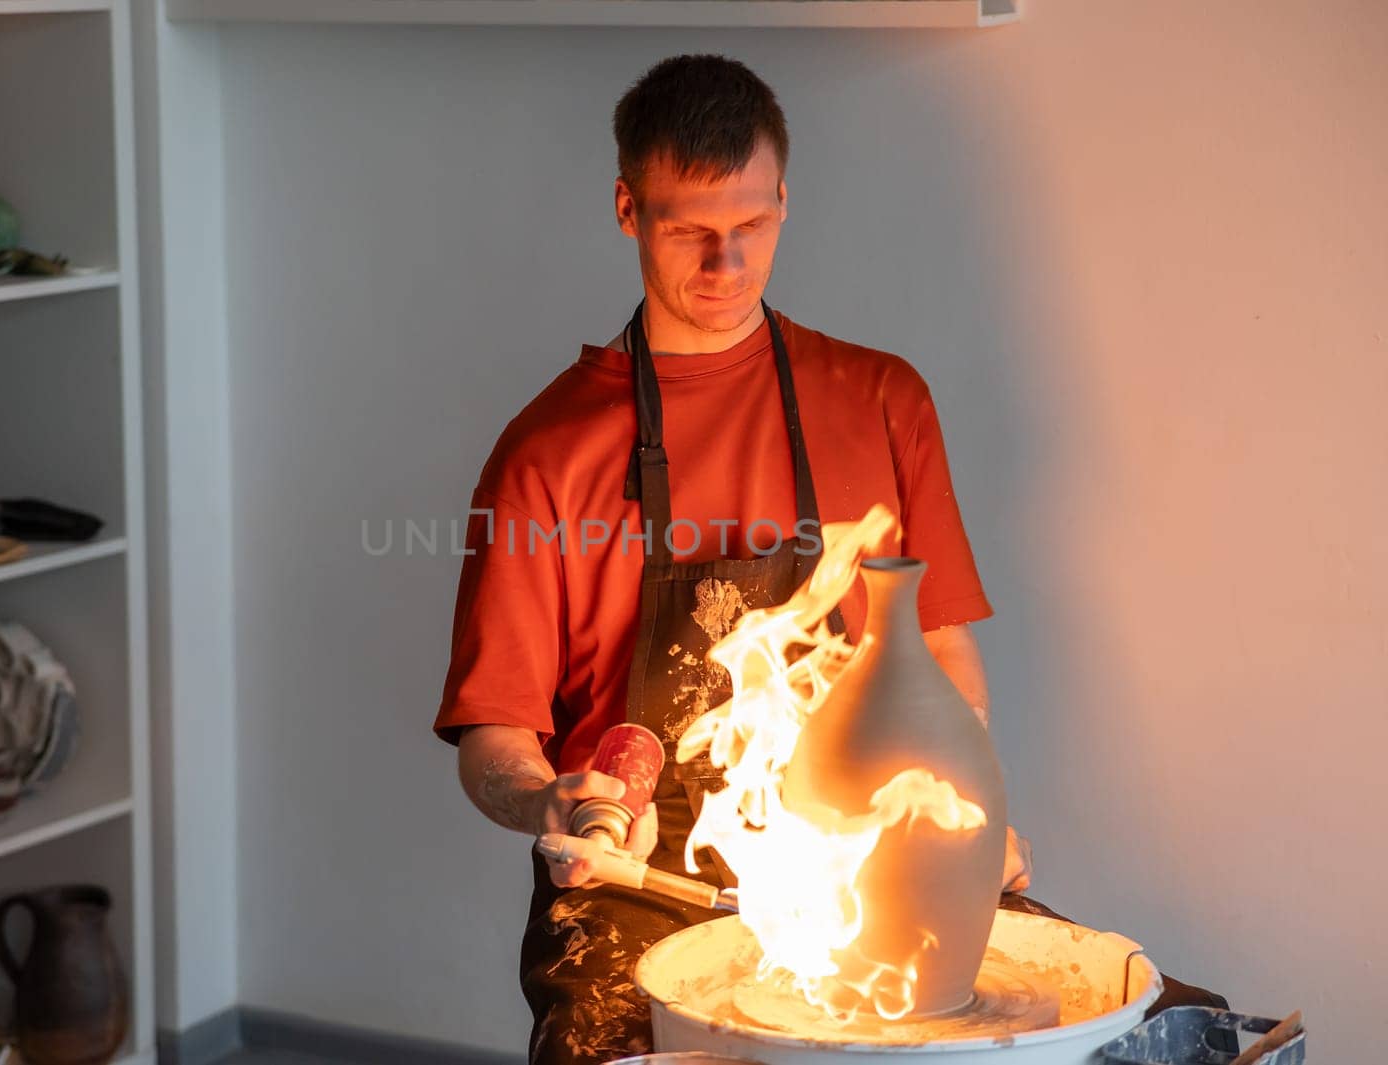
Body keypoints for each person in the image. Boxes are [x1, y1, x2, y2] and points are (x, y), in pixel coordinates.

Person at [433, 54, 1195, 1065]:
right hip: (639, 890)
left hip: (870, 871)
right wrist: (548, 800)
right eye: (690, 231)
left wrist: (965, 812)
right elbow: (495, 741)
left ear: (783, 200)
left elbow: (940, 655)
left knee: (1172, 1030)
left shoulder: (880, 401)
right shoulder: (547, 455)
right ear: (627, 208)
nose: (726, 264)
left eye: (750, 226)